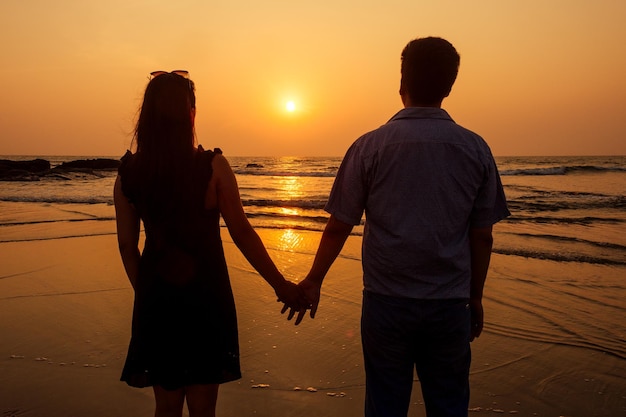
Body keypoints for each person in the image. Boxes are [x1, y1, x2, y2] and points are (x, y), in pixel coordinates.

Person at [291, 37, 510, 417]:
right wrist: (475, 296)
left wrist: (314, 279)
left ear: (401, 84)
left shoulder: (370, 146)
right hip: (449, 303)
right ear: (449, 87)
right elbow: (482, 234)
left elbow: (340, 224)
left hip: (386, 301)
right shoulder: (475, 148)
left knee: (385, 404)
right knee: (449, 404)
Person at [114, 70, 305, 417]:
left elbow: (128, 246)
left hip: (156, 299)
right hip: (206, 296)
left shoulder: (130, 174)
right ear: (190, 114)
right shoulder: (212, 167)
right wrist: (282, 286)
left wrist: (146, 293)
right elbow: (242, 232)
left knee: (166, 406)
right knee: (204, 409)